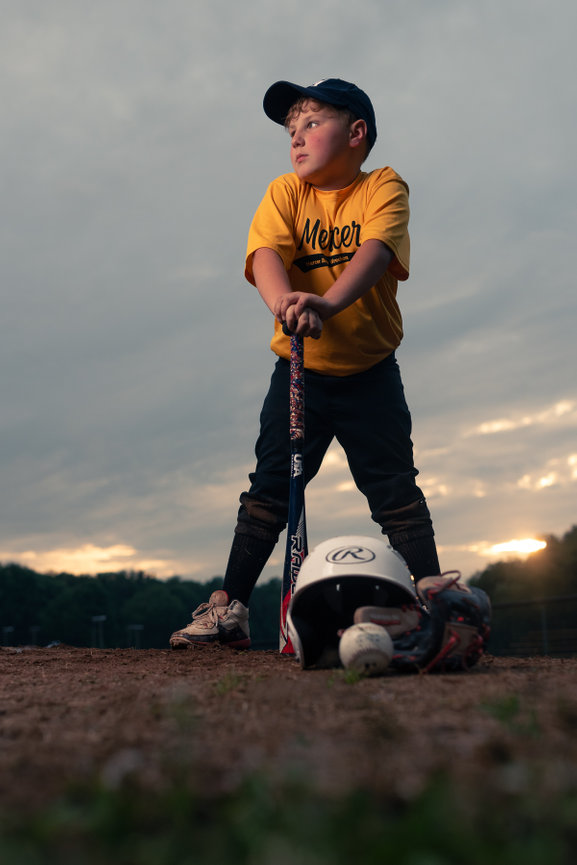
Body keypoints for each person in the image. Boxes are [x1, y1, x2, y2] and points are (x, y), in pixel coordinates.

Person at [170, 78, 440, 650]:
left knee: (395, 490)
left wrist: (327, 301)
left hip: (370, 372)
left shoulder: (383, 186)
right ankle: (230, 608)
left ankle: (437, 597)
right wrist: (284, 304)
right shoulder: (285, 193)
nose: (296, 138)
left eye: (312, 124)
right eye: (291, 131)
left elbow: (378, 251)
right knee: (269, 488)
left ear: (356, 133)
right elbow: (265, 253)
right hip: (300, 371)